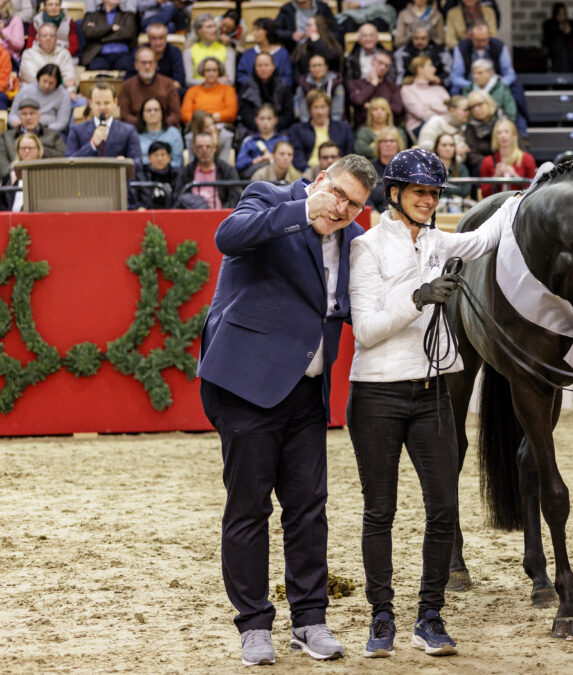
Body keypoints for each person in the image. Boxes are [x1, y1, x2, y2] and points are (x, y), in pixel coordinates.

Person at [199, 152, 374, 667]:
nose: (341, 208)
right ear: (320, 180)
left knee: (309, 509)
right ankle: (254, 624)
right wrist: (303, 210)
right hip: (247, 384)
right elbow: (228, 237)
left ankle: (309, 620)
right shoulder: (270, 198)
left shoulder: (355, 238)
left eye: (353, 204)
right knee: (249, 508)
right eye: (337, 193)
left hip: (308, 393)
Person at [347, 147, 516, 660]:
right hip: (377, 393)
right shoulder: (366, 247)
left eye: (435, 193)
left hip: (433, 391)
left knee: (443, 507)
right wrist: (418, 298)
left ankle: (430, 615)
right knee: (380, 511)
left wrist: (523, 195)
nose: (428, 200)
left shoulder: (441, 241)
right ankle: (381, 616)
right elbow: (366, 330)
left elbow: (487, 236)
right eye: (419, 192)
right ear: (395, 194)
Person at [66, 83, 141, 166]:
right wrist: (92, 145)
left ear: (115, 102)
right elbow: (69, 162)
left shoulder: (128, 131)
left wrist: (126, 163)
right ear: (90, 103)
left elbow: (138, 163)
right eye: (98, 103)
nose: (102, 107)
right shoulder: (77, 130)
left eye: (107, 103)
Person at [289, 89, 354, 172]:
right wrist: (308, 171)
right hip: (308, 171)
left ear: (329, 108)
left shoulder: (343, 128)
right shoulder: (298, 130)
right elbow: (297, 156)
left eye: (323, 107)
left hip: (337, 170)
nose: (320, 112)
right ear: (309, 110)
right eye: (315, 107)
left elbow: (349, 154)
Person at [120, 46, 183, 129]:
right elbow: (124, 115)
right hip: (136, 130)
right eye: (143, 63)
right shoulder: (127, 86)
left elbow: (176, 115)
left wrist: (158, 125)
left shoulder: (168, 84)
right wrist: (144, 124)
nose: (147, 66)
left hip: (164, 129)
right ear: (136, 65)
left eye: (150, 62)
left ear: (156, 64)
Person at [0, 97, 64, 177]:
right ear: (19, 117)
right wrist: (13, 176)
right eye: (24, 114)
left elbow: (62, 156)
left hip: (47, 177)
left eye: (32, 113)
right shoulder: (6, 137)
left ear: (39, 116)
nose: (28, 117)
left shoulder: (53, 135)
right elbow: (2, 161)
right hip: (15, 179)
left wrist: (38, 148)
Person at [237, 52, 295, 138]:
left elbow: (288, 113)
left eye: (266, 65)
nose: (263, 68)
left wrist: (272, 126)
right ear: (255, 67)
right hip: (253, 129)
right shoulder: (247, 86)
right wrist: (260, 126)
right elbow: (244, 112)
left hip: (279, 129)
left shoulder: (283, 86)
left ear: (273, 66)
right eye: (259, 65)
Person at [178, 131, 242, 208]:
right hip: (192, 213)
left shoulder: (227, 171)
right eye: (200, 147)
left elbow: (235, 198)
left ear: (214, 148)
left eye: (208, 147)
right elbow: (178, 197)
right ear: (194, 149)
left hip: (222, 214)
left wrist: (221, 213)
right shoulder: (186, 172)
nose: (204, 150)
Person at [18, 22, 76, 103]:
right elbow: (34, 80)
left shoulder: (64, 54)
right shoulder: (28, 54)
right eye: (44, 36)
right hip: (34, 95)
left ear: (56, 39)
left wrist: (70, 91)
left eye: (52, 36)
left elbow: (70, 79)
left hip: (60, 95)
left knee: (81, 102)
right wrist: (62, 82)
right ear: (38, 39)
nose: (48, 38)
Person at [478, 117, 535, 197]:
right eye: (499, 133)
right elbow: (484, 194)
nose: (503, 136)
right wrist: (495, 177)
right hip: (497, 203)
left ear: (514, 136)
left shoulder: (527, 159)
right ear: (495, 137)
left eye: (506, 132)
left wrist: (516, 177)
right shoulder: (487, 162)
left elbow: (532, 191)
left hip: (519, 202)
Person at [9, 64, 69, 133]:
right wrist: (19, 124)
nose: (47, 86)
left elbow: (62, 122)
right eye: (44, 81)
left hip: (50, 131)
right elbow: (12, 115)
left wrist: (41, 131)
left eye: (51, 83)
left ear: (57, 83)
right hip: (24, 129)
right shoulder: (26, 90)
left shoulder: (63, 94)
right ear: (39, 78)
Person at [81, 0, 137, 74]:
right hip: (99, 54)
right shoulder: (92, 15)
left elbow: (128, 33)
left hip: (122, 54)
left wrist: (99, 37)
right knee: (97, 68)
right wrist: (110, 28)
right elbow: (88, 33)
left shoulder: (127, 15)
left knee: (128, 66)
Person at [348, 49, 404, 123]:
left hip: (387, 125)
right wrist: (373, 84)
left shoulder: (393, 87)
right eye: (380, 63)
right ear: (372, 61)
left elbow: (397, 109)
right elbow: (358, 101)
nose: (383, 67)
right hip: (363, 125)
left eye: (386, 66)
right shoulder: (355, 84)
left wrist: (372, 106)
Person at [239, 17, 294, 89]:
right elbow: (241, 76)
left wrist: (273, 86)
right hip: (252, 92)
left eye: (257, 30)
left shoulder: (282, 54)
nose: (254, 33)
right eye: (254, 30)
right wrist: (256, 85)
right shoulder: (248, 54)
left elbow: (288, 78)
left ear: (268, 31)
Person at [181, 56, 238, 126]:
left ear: (219, 72)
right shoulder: (192, 91)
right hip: (197, 125)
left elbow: (231, 113)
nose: (211, 74)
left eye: (214, 70)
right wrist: (201, 120)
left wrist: (211, 118)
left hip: (220, 124)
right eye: (208, 70)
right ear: (203, 72)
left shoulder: (228, 90)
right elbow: (185, 114)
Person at [184, 13, 236, 87]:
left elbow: (230, 81)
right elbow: (188, 81)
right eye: (209, 27)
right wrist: (214, 81)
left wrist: (206, 82)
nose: (214, 30)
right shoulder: (189, 52)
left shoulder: (228, 51)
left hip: (222, 91)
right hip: (199, 92)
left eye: (214, 26)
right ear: (198, 31)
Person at [394, 20, 452, 87]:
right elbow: (399, 76)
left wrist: (440, 79)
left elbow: (448, 72)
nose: (419, 42)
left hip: (436, 87)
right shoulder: (402, 53)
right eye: (416, 38)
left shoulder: (441, 52)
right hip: (410, 87)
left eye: (423, 38)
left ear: (429, 37)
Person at [402, 55, 450, 134]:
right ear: (420, 69)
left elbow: (449, 110)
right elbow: (421, 114)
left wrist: (430, 106)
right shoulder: (408, 90)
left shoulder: (439, 89)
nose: (434, 69)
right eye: (430, 66)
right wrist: (440, 109)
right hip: (419, 128)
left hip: (442, 126)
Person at [273, 0, 338, 55]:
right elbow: (274, 31)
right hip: (296, 51)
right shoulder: (287, 9)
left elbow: (336, 31)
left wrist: (321, 37)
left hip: (321, 49)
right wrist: (291, 35)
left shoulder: (322, 7)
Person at [297, 53, 346, 123]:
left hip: (332, 123)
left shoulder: (336, 84)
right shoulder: (303, 85)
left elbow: (337, 112)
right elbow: (303, 113)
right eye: (313, 66)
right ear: (309, 68)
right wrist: (308, 127)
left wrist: (332, 126)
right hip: (310, 124)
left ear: (326, 67)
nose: (317, 69)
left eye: (320, 65)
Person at [136, 96, 183, 169]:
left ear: (162, 113)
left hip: (170, 173)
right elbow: (136, 161)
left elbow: (177, 161)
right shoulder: (136, 135)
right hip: (144, 173)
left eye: (156, 110)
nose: (152, 113)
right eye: (148, 110)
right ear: (142, 115)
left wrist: (162, 170)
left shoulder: (173, 133)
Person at [463, 57, 514, 124]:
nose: (475, 76)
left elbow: (510, 112)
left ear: (490, 73)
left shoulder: (502, 88)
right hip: (473, 125)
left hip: (497, 124)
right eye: (473, 73)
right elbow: (464, 111)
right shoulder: (468, 89)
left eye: (479, 73)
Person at [367, 126, 406, 211]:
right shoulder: (369, 168)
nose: (388, 144)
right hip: (375, 214)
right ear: (378, 145)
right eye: (384, 141)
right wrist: (372, 212)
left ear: (398, 144)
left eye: (392, 141)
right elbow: (365, 196)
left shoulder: (406, 168)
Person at [292, 16, 343, 81]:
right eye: (306, 25)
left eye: (309, 25)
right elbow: (297, 65)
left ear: (319, 27)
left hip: (330, 81)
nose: (306, 28)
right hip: (307, 82)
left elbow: (332, 59)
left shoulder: (331, 44)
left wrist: (317, 42)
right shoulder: (304, 46)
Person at [463, 88, 501, 175]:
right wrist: (489, 165)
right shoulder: (470, 128)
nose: (476, 109)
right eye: (473, 107)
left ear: (489, 103)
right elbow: (471, 155)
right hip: (482, 169)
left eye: (479, 104)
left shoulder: (503, 123)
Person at [543, 2, 573, 72]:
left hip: (572, 48)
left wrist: (570, 32)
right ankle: (564, 76)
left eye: (563, 14)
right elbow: (548, 40)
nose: (562, 16)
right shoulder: (549, 24)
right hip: (557, 50)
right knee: (562, 49)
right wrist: (560, 30)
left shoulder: (572, 23)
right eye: (560, 14)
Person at [135, 140, 180, 209]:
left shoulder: (177, 175)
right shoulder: (141, 176)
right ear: (149, 158)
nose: (159, 159)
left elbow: (179, 198)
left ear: (169, 158)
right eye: (156, 155)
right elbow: (135, 200)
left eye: (163, 155)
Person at [432, 131, 471, 207]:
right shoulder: (430, 168)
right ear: (437, 148)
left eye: (451, 145)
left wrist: (442, 186)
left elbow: (465, 191)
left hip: (457, 205)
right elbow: (431, 190)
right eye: (444, 145)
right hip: (436, 205)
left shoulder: (462, 168)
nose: (448, 148)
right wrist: (455, 189)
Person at [4, 132, 40, 212]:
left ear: (38, 150)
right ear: (18, 150)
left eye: (30, 148)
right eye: (23, 148)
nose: (27, 151)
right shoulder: (10, 176)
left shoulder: (46, 173)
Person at [145, 21, 186, 90]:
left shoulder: (175, 52)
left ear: (166, 38)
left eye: (161, 38)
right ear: (149, 39)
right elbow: (131, 80)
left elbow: (179, 82)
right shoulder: (139, 52)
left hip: (168, 91)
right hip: (144, 91)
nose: (158, 43)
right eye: (154, 38)